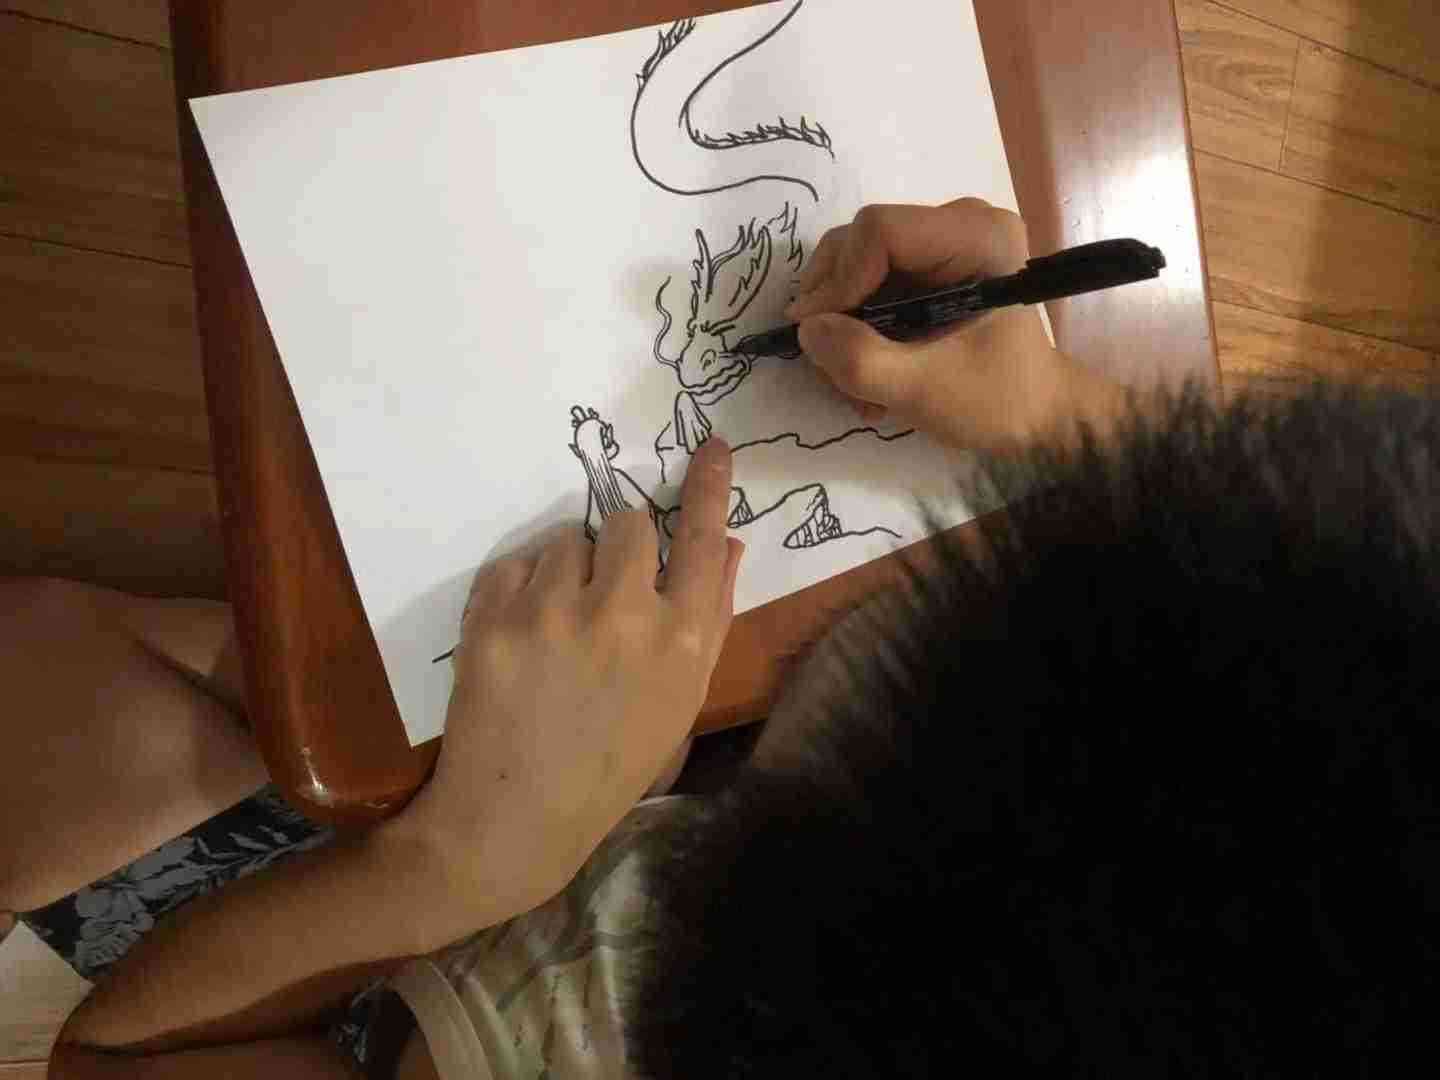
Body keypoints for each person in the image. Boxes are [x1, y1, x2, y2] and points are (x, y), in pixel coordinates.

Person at [9, 198, 1432, 1078]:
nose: (908, 602)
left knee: (56, 691)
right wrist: (1058, 417)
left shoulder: (597, 1031)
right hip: (613, 814)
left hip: (415, 951)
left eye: (916, 660)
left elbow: (109, 1061)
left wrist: (462, 862)